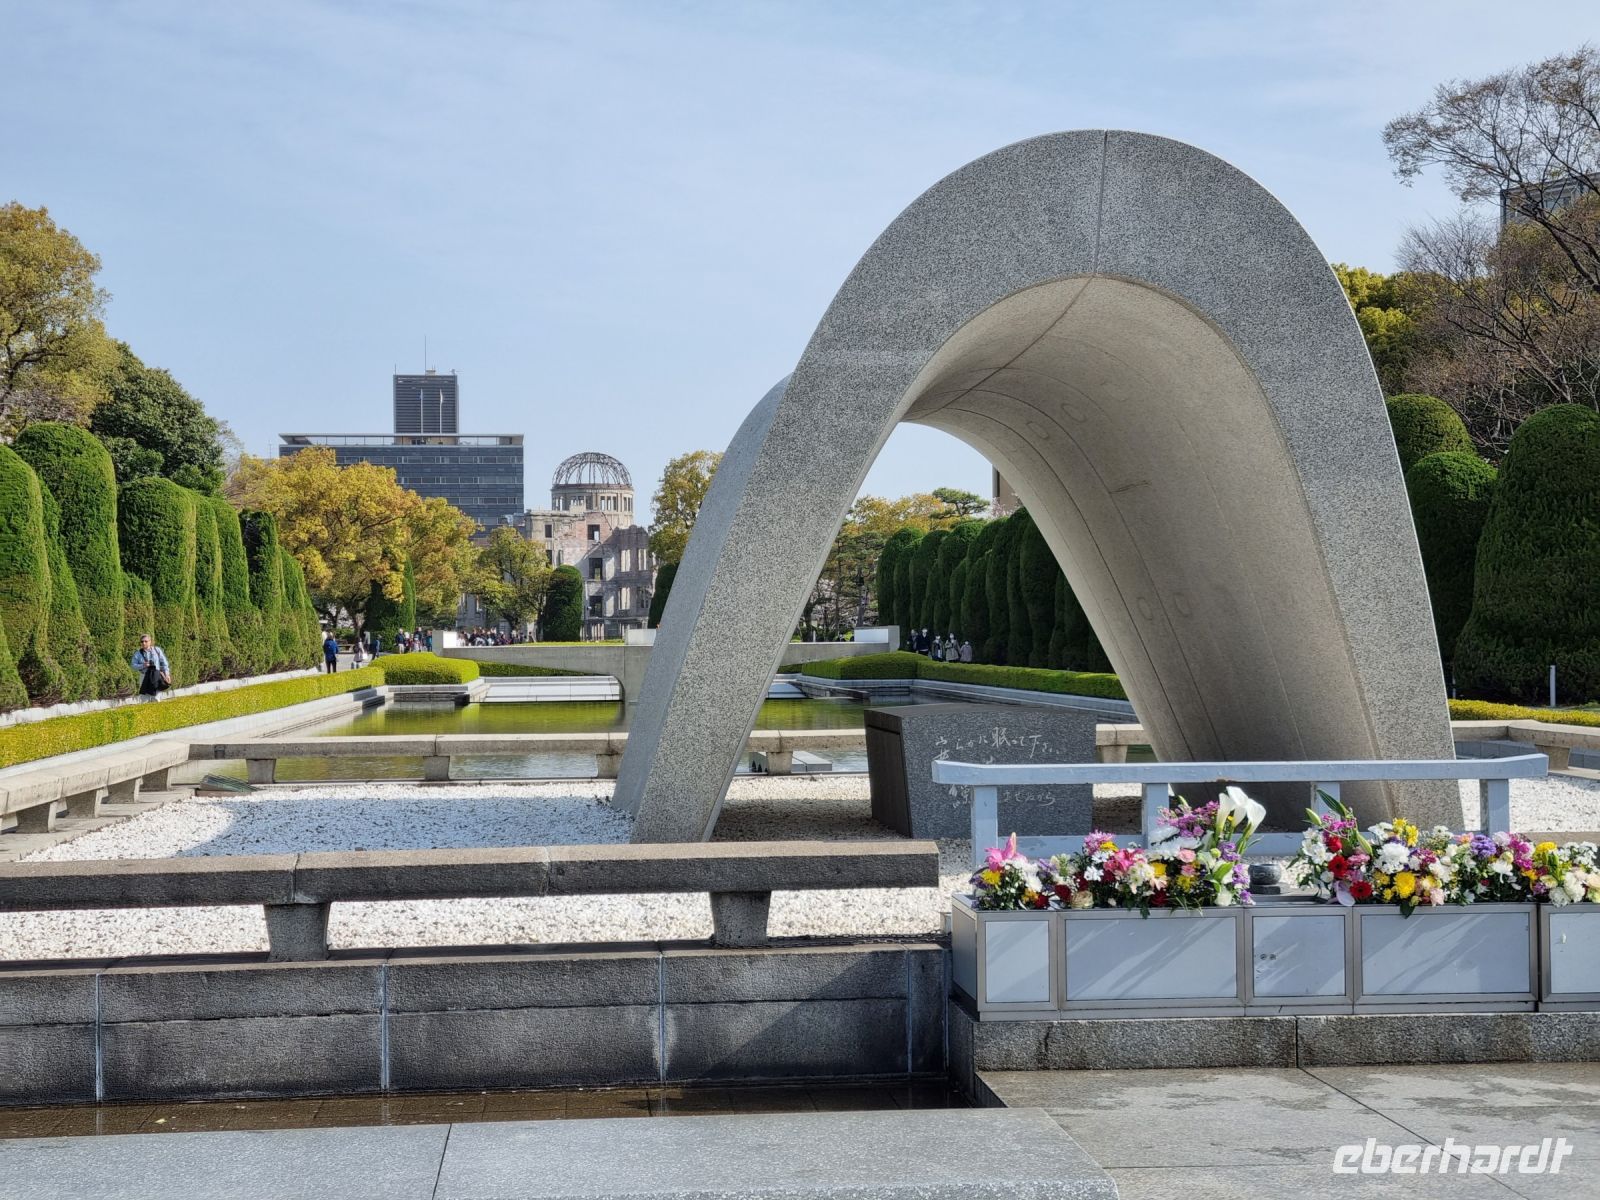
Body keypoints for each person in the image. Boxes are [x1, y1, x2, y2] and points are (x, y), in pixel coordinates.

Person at [130, 633, 171, 700]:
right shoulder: (137, 653)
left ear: (150, 642)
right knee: (144, 699)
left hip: (156, 676)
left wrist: (167, 674)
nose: (144, 643)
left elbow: (164, 663)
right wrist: (143, 665)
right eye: (142, 641)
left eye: (146, 641)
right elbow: (133, 666)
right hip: (144, 676)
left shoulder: (157, 650)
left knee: (156, 698)